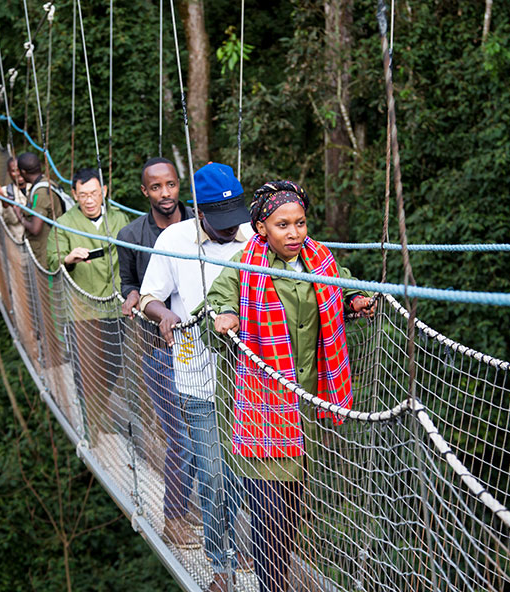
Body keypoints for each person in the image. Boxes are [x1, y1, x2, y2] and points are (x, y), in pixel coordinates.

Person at [204, 180, 374, 592]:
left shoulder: (320, 260)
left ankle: (274, 579)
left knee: (294, 503)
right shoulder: (246, 268)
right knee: (271, 505)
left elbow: (343, 280)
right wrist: (224, 315)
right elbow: (215, 304)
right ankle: (271, 584)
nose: (294, 233)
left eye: (299, 223)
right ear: (261, 227)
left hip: (308, 404)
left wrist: (354, 297)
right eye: (282, 225)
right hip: (265, 405)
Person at [140, 162, 254, 592]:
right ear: (200, 213)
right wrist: (164, 314)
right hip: (195, 376)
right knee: (211, 473)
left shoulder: (256, 242)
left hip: (247, 382)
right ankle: (221, 566)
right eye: (220, 223)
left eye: (235, 220)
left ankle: (231, 543)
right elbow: (149, 295)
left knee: (242, 475)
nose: (231, 230)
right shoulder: (173, 240)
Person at [116, 157, 200, 550]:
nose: (164, 194)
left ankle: (213, 522)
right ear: (144, 191)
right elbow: (129, 284)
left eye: (170, 185)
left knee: (212, 440)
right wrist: (133, 297)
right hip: (158, 350)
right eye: (155, 187)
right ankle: (175, 519)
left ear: (177, 184)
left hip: (204, 348)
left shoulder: (204, 226)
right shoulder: (131, 233)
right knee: (181, 439)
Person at [47, 167, 130, 438]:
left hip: (115, 305)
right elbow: (51, 260)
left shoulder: (120, 219)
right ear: (74, 195)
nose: (90, 200)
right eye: (83, 195)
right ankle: (91, 428)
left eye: (94, 193)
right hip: (81, 310)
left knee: (114, 364)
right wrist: (68, 259)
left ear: (104, 191)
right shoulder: (64, 222)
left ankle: (98, 412)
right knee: (87, 369)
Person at [13, 152, 64, 266]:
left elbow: (35, 229)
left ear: (23, 172)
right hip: (52, 245)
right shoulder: (47, 182)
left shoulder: (39, 193)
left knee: (48, 283)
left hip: (46, 250)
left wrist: (19, 216)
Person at [0, 157, 28, 241]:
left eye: (20, 169)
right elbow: (4, 218)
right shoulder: (4, 192)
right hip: (19, 241)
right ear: (9, 172)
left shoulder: (37, 188)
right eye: (14, 171)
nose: (18, 173)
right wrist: (4, 200)